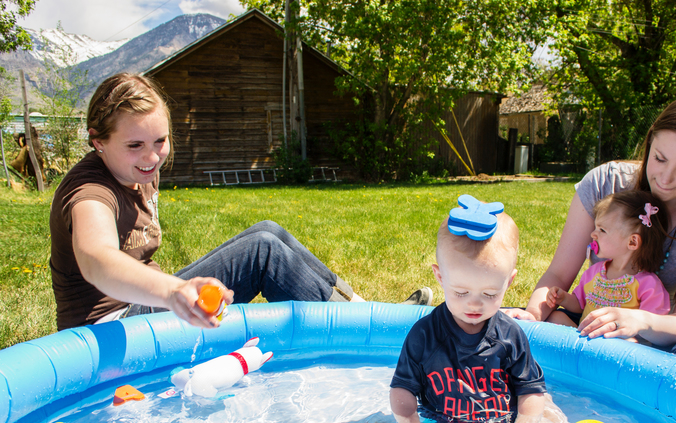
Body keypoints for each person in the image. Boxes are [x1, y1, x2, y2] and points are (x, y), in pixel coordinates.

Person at [49, 73, 432, 331]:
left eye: (160, 141)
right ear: (98, 141)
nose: (152, 157)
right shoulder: (90, 192)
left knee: (269, 231)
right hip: (109, 329)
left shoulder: (135, 170)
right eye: (135, 145)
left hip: (139, 307)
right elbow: (97, 261)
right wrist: (171, 291)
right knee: (261, 252)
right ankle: (366, 328)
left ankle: (366, 313)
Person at [505, 92, 676, 382]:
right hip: (589, 317)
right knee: (486, 320)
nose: (665, 179)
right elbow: (558, 274)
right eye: (659, 158)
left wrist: (637, 320)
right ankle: (620, 374)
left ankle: (593, 365)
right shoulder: (605, 182)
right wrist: (533, 316)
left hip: (652, 336)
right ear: (650, 143)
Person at [361, 198, 568, 423]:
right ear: (440, 277)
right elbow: (402, 388)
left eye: (490, 294)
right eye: (461, 292)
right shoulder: (425, 336)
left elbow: (528, 389)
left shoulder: (510, 335)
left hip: (504, 418)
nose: (474, 304)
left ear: (509, 282)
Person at [546, 190, 671, 336]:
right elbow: (580, 304)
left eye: (602, 230)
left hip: (616, 343)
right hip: (585, 336)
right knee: (555, 317)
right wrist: (563, 298)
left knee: (632, 342)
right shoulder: (594, 273)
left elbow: (651, 327)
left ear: (632, 242)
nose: (593, 234)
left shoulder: (648, 285)